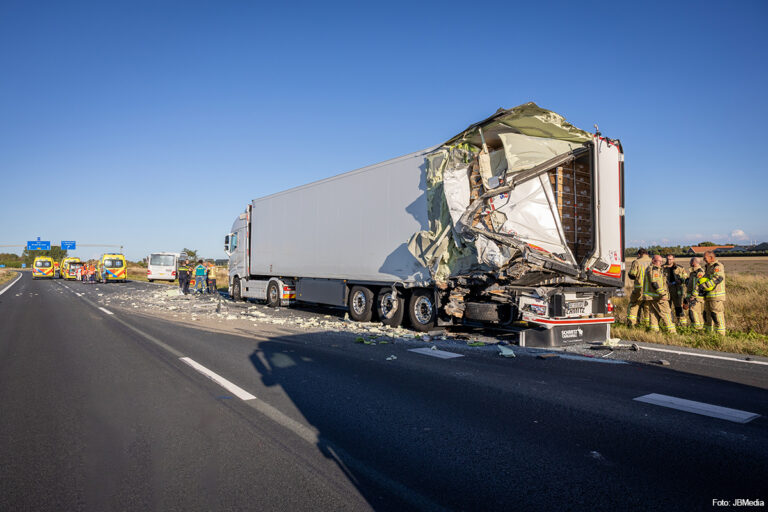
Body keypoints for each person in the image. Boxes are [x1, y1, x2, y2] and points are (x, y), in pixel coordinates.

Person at [643, 255, 677, 334]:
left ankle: (654, 331)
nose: (661, 263)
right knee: (666, 313)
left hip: (652, 297)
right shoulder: (654, 269)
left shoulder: (654, 269)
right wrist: (663, 294)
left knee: (654, 314)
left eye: (662, 261)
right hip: (658, 297)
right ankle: (672, 332)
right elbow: (655, 283)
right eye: (659, 261)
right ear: (653, 261)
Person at [701, 250, 726, 335]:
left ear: (711, 257)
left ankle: (720, 335)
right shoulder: (708, 266)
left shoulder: (717, 266)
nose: (703, 259)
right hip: (708, 296)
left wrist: (704, 285)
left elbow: (718, 278)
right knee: (707, 315)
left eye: (705, 258)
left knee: (717, 315)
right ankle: (708, 333)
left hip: (716, 296)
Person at [626, 248, 651, 326]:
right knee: (647, 307)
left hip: (639, 288)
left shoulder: (637, 262)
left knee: (634, 305)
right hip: (650, 289)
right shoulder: (652, 261)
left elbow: (632, 274)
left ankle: (632, 324)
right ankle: (647, 324)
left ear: (639, 255)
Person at [663, 254, 688, 326]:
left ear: (673, 259)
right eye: (667, 259)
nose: (669, 260)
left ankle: (682, 324)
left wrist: (681, 280)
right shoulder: (662, 268)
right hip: (667, 291)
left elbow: (685, 277)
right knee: (667, 308)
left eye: (670, 259)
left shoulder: (680, 268)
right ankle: (669, 323)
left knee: (678, 307)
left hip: (677, 290)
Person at [683, 257, 705, 330]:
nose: (689, 263)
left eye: (690, 261)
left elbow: (699, 285)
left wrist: (693, 295)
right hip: (692, 296)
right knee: (697, 312)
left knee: (693, 312)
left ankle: (697, 328)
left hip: (696, 297)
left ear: (693, 262)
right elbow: (691, 284)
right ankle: (700, 327)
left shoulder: (699, 272)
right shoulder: (693, 272)